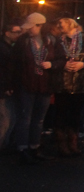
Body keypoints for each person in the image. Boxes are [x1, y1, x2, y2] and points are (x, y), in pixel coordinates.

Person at [13, 12, 65, 163]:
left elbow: (62, 60)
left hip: (45, 84)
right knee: (25, 118)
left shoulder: (51, 41)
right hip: (27, 83)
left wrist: (52, 65)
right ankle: (22, 148)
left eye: (32, 27)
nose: (29, 30)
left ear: (40, 26)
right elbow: (15, 63)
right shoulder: (23, 42)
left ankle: (35, 147)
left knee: (39, 119)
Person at [54, 18, 84, 157]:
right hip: (61, 84)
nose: (59, 25)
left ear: (70, 24)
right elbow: (51, 58)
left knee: (75, 115)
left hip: (81, 84)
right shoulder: (58, 41)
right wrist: (62, 64)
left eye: (62, 23)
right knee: (61, 115)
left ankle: (73, 143)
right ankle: (62, 144)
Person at [0, 18, 23, 150]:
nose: (18, 34)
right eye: (16, 32)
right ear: (7, 33)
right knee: (6, 118)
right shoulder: (4, 49)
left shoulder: (8, 48)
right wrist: (6, 86)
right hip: (4, 88)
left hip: (5, 87)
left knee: (9, 118)